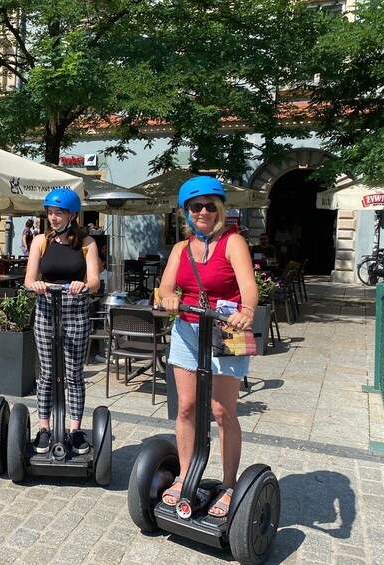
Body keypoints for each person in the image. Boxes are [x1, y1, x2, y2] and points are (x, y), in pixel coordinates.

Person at [157, 176, 258, 517]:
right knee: (186, 407)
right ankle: (186, 475)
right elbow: (166, 287)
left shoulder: (233, 243)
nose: (203, 211)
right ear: (186, 212)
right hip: (187, 331)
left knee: (221, 410)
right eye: (195, 206)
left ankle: (229, 485)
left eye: (209, 205)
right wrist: (168, 298)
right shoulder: (180, 249)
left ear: (219, 209)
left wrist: (246, 312)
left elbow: (249, 288)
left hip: (226, 331)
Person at [24, 189, 100, 455]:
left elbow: (95, 281)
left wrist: (83, 284)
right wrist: (38, 285)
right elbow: (28, 279)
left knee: (73, 374)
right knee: (46, 373)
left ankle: (75, 430)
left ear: (72, 215)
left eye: (58, 213)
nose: (53, 218)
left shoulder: (86, 243)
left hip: (75, 310)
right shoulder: (39, 242)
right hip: (46, 308)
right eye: (50, 213)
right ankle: (44, 428)